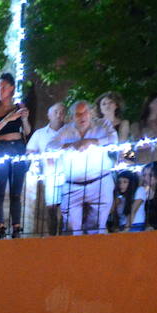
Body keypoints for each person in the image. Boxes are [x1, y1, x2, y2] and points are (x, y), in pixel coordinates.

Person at [49, 101, 119, 236]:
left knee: (96, 227)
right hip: (72, 185)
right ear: (72, 117)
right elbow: (51, 146)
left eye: (85, 113)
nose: (82, 117)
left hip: (100, 182)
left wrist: (93, 142)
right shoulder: (66, 130)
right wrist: (72, 145)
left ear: (90, 113)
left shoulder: (102, 124)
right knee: (70, 227)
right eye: (78, 114)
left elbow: (113, 139)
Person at [0, 73, 32, 238]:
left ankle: (16, 227)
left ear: (11, 88)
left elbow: (27, 131)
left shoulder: (19, 106)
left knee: (16, 192)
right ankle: (1, 227)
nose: (0, 90)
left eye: (3, 87)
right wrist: (7, 119)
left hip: (18, 147)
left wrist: (24, 119)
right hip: (0, 148)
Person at [26, 103, 69, 235]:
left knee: (66, 210)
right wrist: (37, 160)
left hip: (69, 176)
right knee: (51, 209)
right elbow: (30, 150)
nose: (59, 114)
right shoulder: (40, 134)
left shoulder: (71, 131)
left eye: (62, 112)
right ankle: (52, 237)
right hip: (50, 176)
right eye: (56, 111)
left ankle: (63, 236)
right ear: (49, 115)